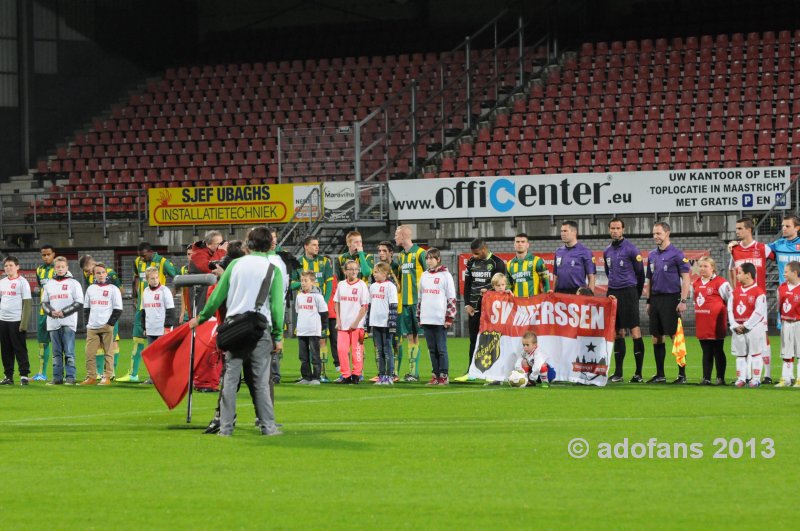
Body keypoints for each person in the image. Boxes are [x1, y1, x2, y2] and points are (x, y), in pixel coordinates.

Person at [189, 226, 285, 437]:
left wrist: (201, 317)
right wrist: (278, 336)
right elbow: (278, 307)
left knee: (230, 380)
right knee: (260, 382)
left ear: (248, 243)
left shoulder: (235, 265)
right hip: (260, 330)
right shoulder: (273, 269)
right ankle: (268, 427)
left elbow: (216, 297)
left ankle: (225, 428)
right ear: (270, 244)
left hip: (233, 329)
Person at [118, 242, 178, 383]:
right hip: (144, 309)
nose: (142, 258)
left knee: (162, 347)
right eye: (140, 256)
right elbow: (136, 279)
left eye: (144, 255)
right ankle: (134, 373)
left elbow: (177, 277)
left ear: (150, 252)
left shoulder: (163, 262)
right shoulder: (137, 261)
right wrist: (134, 297)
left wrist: (174, 292)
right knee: (138, 340)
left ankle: (165, 375)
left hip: (159, 311)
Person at [727, 217, 775, 383]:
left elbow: (780, 260)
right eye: (737, 228)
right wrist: (736, 291)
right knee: (743, 339)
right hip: (742, 298)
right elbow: (732, 271)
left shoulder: (763, 248)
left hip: (758, 299)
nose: (737, 231)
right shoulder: (734, 249)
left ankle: (767, 375)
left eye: (740, 228)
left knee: (762, 337)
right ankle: (745, 376)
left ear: (749, 230)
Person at [645, 221, 691, 384]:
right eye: (654, 233)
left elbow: (686, 278)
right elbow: (649, 279)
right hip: (656, 299)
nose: (655, 236)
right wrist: (649, 301)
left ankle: (682, 375)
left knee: (675, 336)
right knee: (656, 337)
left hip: (672, 298)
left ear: (667, 233)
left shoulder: (677, 254)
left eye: (658, 233)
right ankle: (660, 374)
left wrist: (683, 300)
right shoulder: (651, 255)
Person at [456, 238, 506, 382]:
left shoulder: (497, 263)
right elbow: (468, 284)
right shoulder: (471, 262)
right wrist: (467, 304)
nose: (475, 256)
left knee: (492, 340)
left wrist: (488, 294)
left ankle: (492, 373)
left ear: (484, 249)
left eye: (477, 253)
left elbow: (500, 288)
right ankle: (471, 372)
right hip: (474, 309)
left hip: (491, 311)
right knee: (473, 339)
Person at [603, 218, 646, 383]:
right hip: (613, 292)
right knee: (617, 333)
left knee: (635, 331)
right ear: (609, 230)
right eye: (612, 228)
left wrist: (636, 294)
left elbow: (640, 274)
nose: (615, 231)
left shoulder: (631, 249)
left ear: (623, 229)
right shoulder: (607, 251)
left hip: (629, 292)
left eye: (618, 228)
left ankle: (638, 373)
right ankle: (618, 373)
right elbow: (609, 272)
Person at [290, 236, 335, 381]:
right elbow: (291, 284)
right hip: (304, 308)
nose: (317, 247)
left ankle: (321, 373)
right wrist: (303, 284)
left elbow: (329, 284)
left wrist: (325, 301)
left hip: (318, 307)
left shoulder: (324, 262)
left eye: (318, 245)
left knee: (320, 341)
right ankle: (307, 375)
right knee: (304, 348)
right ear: (305, 246)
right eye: (314, 245)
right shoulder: (298, 263)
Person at [79, 254, 123, 378]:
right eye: (85, 271)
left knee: (113, 342)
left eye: (87, 270)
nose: (87, 273)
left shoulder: (110, 274)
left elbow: (120, 290)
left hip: (109, 314)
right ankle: (99, 373)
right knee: (98, 343)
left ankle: (111, 372)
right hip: (96, 315)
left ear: (92, 264)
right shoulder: (90, 275)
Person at [41, 257, 83, 385]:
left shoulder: (74, 283)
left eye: (62, 267)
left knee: (69, 352)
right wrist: (51, 312)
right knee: (56, 353)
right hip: (53, 323)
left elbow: (79, 302)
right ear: (54, 268)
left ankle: (70, 377)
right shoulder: (49, 284)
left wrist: (63, 312)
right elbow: (44, 303)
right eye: (58, 267)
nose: (60, 269)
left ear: (67, 268)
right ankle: (57, 378)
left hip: (68, 322)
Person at [417, 248, 456, 386]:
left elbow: (451, 298)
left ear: (438, 259)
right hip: (426, 318)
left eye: (431, 258)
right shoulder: (424, 275)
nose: (429, 261)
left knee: (441, 349)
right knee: (431, 349)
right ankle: (435, 375)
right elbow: (420, 297)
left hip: (439, 319)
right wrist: (419, 316)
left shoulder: (446, 275)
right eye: (427, 258)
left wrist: (449, 317)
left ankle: (444, 375)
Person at [692, 257, 731, 385]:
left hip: (716, 323)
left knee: (718, 350)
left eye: (705, 266)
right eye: (700, 266)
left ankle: (720, 378)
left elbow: (730, 300)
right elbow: (695, 300)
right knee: (706, 351)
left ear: (712, 268)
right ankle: (706, 378)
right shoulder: (696, 283)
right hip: (702, 322)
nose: (702, 269)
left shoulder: (721, 282)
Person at [395, 225, 426, 382]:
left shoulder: (421, 253)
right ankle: (412, 372)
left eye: (396, 235)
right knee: (409, 336)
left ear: (403, 235)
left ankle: (415, 371)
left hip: (417, 302)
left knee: (416, 336)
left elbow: (428, 276)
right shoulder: (400, 256)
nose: (395, 238)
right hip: (405, 302)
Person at [728, 263, 767, 388]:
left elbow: (759, 312)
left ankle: (755, 379)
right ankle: (741, 379)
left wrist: (746, 325)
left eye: (739, 273)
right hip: (738, 329)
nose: (737, 275)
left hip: (753, 329)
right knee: (740, 355)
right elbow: (729, 310)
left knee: (755, 354)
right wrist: (734, 325)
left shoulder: (759, 292)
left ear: (748, 275)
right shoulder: (735, 292)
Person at [334, 259, 370, 384]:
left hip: (357, 325)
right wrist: (338, 320)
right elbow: (337, 302)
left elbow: (364, 306)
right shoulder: (341, 284)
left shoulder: (362, 285)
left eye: (356, 269)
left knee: (357, 351)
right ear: (345, 271)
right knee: (342, 350)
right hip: (343, 325)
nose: (354, 271)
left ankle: (356, 375)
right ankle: (346, 375)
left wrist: (356, 322)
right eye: (351, 269)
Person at [0, 256, 32, 386]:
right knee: (5, 350)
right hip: (3, 320)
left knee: (20, 348)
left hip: (16, 321)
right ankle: (8, 376)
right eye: (6, 266)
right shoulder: (2, 282)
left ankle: (24, 375)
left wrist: (23, 324)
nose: (8, 268)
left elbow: (27, 304)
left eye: (11, 265)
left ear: (17, 267)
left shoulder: (22, 282)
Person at [374, 240, 403, 382]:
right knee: (380, 346)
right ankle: (381, 372)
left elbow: (399, 287)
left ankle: (394, 372)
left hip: (395, 311)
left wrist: (389, 271)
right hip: (379, 314)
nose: (381, 253)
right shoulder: (377, 269)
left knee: (395, 343)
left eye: (384, 251)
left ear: (391, 253)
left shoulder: (397, 267)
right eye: (379, 251)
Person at [295, 271, 328, 385]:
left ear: (313, 282)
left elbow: (324, 312)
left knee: (315, 355)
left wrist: (323, 327)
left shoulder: (317, 296)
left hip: (313, 330)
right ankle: (306, 377)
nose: (303, 283)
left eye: (306, 281)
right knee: (303, 356)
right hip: (301, 330)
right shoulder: (299, 295)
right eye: (302, 280)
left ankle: (316, 377)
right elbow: (298, 311)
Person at [367, 262, 398, 385]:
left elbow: (393, 306)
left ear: (384, 273)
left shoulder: (390, 286)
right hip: (376, 323)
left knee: (387, 350)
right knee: (379, 351)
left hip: (386, 324)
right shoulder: (373, 286)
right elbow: (370, 305)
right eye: (374, 272)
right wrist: (368, 324)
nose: (374, 274)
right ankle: (381, 375)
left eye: (377, 272)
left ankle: (389, 376)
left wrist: (392, 324)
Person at [32, 244, 56, 381]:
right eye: (43, 255)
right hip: (43, 312)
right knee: (42, 343)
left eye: (48, 254)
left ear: (53, 254)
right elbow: (41, 288)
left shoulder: (59, 268)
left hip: (57, 312)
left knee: (61, 343)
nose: (46, 257)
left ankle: (63, 374)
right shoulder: (39, 270)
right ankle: (42, 373)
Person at [188, 230, 228, 311]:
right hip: (200, 300)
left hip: (213, 297)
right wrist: (221, 251)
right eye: (218, 244)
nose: (221, 246)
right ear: (208, 244)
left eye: (222, 242)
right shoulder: (197, 255)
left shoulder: (217, 253)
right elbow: (211, 269)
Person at [553, 220, 596, 294]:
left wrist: (590, 297)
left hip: (577, 293)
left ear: (574, 232)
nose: (562, 234)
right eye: (561, 231)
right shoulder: (558, 252)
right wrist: (553, 293)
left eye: (565, 231)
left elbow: (591, 277)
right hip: (560, 293)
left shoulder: (585, 252)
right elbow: (555, 275)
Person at [776, 261, 800, 387]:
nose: (784, 274)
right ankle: (786, 378)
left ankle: (799, 379)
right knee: (786, 351)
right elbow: (779, 305)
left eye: (786, 272)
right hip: (786, 323)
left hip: (798, 323)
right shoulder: (782, 288)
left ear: (795, 272)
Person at [140, 266, 176, 345]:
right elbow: (143, 311)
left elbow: (171, 311)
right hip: (150, 330)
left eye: (157, 277)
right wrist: (144, 327)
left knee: (163, 354)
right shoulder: (145, 291)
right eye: (152, 278)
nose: (155, 280)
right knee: (152, 355)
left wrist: (167, 327)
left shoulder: (165, 290)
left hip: (162, 330)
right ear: (147, 279)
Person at [178, 244, 193, 324]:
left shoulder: (203, 268)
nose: (190, 256)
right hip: (187, 311)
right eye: (188, 254)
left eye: (192, 254)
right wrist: (182, 312)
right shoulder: (183, 269)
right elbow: (183, 292)